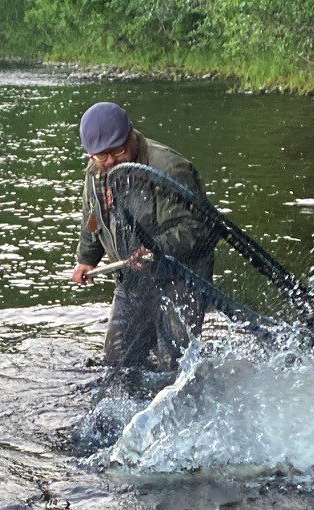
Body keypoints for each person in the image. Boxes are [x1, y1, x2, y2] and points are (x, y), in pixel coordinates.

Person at [70, 102, 215, 372]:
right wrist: (86, 259)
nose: (111, 161)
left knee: (173, 364)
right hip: (133, 280)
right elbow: (93, 218)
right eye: (101, 156)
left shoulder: (170, 169)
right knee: (118, 364)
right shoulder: (96, 171)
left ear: (132, 135)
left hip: (181, 280)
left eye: (118, 150)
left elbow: (195, 231)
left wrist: (153, 250)